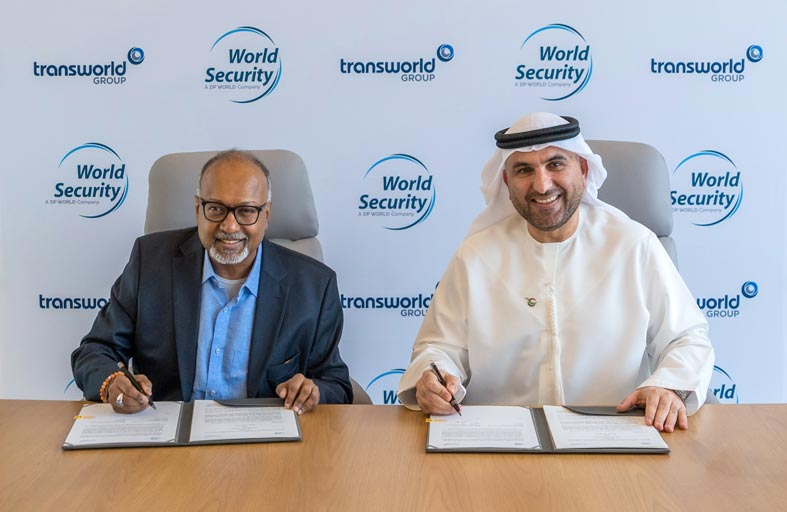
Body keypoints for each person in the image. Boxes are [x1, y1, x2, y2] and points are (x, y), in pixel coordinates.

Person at [397, 112, 714, 432]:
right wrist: (434, 377)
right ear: (506, 182)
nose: (542, 184)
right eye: (524, 170)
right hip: (499, 436)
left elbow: (686, 338)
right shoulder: (476, 256)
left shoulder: (633, 245)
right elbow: (439, 347)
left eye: (556, 164)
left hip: (614, 433)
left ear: (584, 170)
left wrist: (668, 385)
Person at [72, 149, 352, 414]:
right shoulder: (151, 263)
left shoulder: (314, 286)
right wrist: (112, 382)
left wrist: (312, 391)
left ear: (266, 214)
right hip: (168, 433)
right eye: (216, 209)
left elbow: (336, 384)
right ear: (198, 208)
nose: (229, 226)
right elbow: (95, 351)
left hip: (264, 438)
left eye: (246, 211)